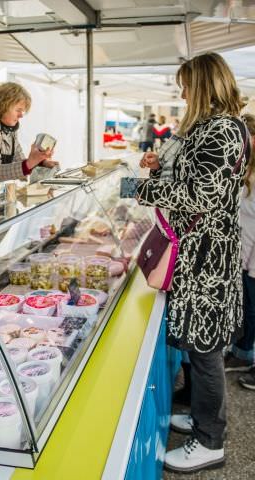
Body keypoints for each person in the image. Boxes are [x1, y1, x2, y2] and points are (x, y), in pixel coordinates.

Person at [137, 52, 249, 473]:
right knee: (200, 349)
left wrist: (142, 190)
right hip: (199, 253)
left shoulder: (222, 129)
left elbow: (203, 196)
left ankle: (210, 441)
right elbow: (187, 181)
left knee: (205, 351)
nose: (181, 92)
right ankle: (204, 419)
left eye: (185, 84)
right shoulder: (209, 127)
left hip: (207, 258)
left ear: (202, 84)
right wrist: (157, 171)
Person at [223, 114, 255, 388]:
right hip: (245, 256)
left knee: (253, 308)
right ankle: (242, 353)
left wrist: (246, 261)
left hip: (251, 258)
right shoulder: (246, 170)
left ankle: (248, 357)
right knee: (247, 307)